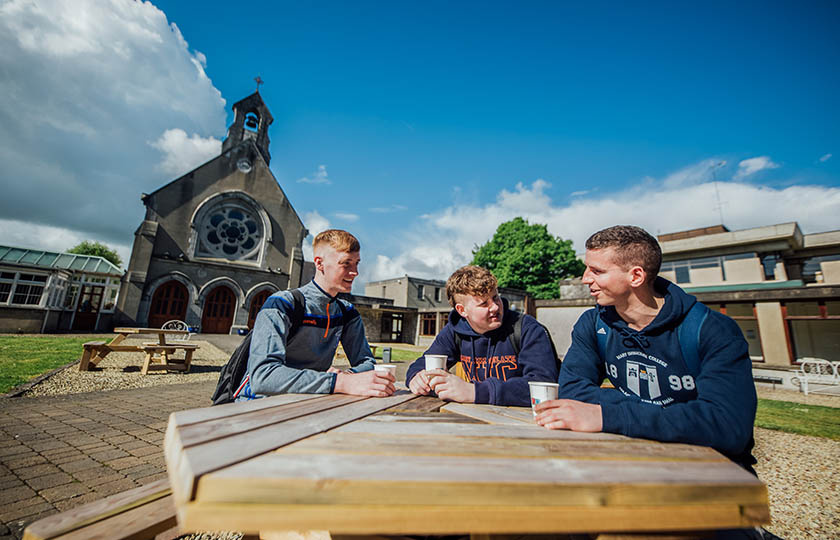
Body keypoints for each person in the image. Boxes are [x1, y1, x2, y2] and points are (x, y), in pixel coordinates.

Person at [536, 225, 758, 472]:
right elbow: (572, 391)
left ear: (636, 276)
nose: (585, 279)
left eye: (596, 271)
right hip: (633, 459)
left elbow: (727, 426)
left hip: (709, 472)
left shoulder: (712, 329)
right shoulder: (593, 323)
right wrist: (676, 416)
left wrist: (607, 416)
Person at [236, 229, 395, 400]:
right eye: (346, 263)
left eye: (357, 263)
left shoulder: (347, 312)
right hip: (256, 406)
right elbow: (264, 377)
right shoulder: (281, 304)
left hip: (307, 402)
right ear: (319, 263)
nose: (355, 272)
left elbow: (368, 363)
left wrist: (348, 376)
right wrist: (339, 382)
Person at [406, 265, 558, 406]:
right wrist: (416, 377)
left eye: (496, 297)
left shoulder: (527, 328)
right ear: (462, 310)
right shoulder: (455, 330)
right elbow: (423, 365)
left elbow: (544, 385)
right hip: (477, 420)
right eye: (484, 303)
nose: (496, 307)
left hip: (526, 424)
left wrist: (475, 392)